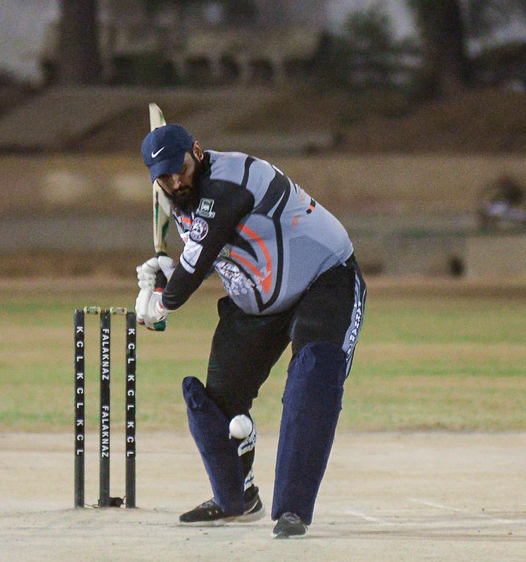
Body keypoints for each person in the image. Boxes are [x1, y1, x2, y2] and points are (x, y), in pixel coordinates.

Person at [135, 125, 366, 539]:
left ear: (197, 152)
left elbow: (200, 255)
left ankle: (293, 509)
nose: (174, 182)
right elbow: (213, 252)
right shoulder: (181, 198)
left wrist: (161, 303)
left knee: (313, 377)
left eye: (179, 170)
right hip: (257, 300)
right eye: (163, 177)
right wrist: (165, 275)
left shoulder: (232, 180)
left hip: (324, 279)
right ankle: (236, 499)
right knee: (215, 401)